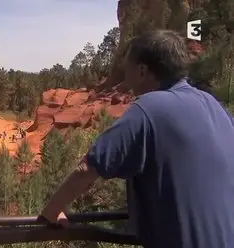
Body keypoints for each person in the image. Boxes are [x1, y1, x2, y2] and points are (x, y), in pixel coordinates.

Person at [40, 30, 234, 248]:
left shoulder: (149, 108)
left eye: (127, 68)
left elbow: (88, 169)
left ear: (142, 71)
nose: (125, 77)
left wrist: (51, 212)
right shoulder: (216, 106)